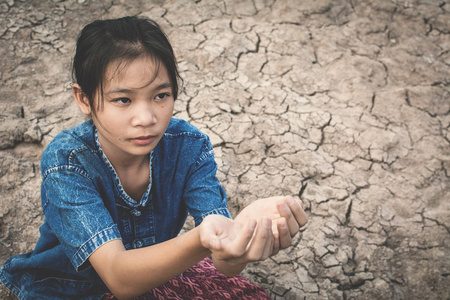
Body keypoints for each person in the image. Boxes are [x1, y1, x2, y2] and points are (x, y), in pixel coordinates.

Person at [0, 16, 308, 300]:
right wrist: (203, 238)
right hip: (71, 289)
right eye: (123, 100)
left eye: (161, 95)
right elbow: (118, 277)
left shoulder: (189, 147)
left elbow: (224, 261)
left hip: (157, 273)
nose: (146, 117)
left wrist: (238, 242)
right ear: (84, 99)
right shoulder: (68, 162)